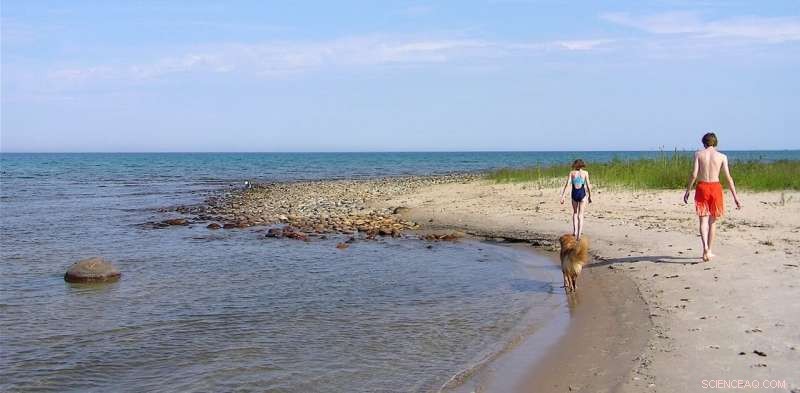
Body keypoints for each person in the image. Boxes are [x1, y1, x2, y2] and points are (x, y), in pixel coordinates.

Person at [683, 132, 742, 262]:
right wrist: (735, 197)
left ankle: (704, 247)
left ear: (704, 143)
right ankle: (709, 250)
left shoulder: (698, 154)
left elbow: (694, 175)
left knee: (703, 221)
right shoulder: (722, 157)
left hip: (702, 187)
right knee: (712, 221)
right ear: (715, 143)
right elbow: (728, 178)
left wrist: (688, 190)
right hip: (715, 188)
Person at [560, 159, 592, 240]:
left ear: (575, 165)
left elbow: (567, 185)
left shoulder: (572, 173)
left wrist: (563, 196)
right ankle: (579, 235)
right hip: (582, 194)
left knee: (575, 213)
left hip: (574, 194)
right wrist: (590, 196)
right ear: (582, 165)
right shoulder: (585, 173)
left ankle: (575, 231)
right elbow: (588, 185)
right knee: (580, 215)